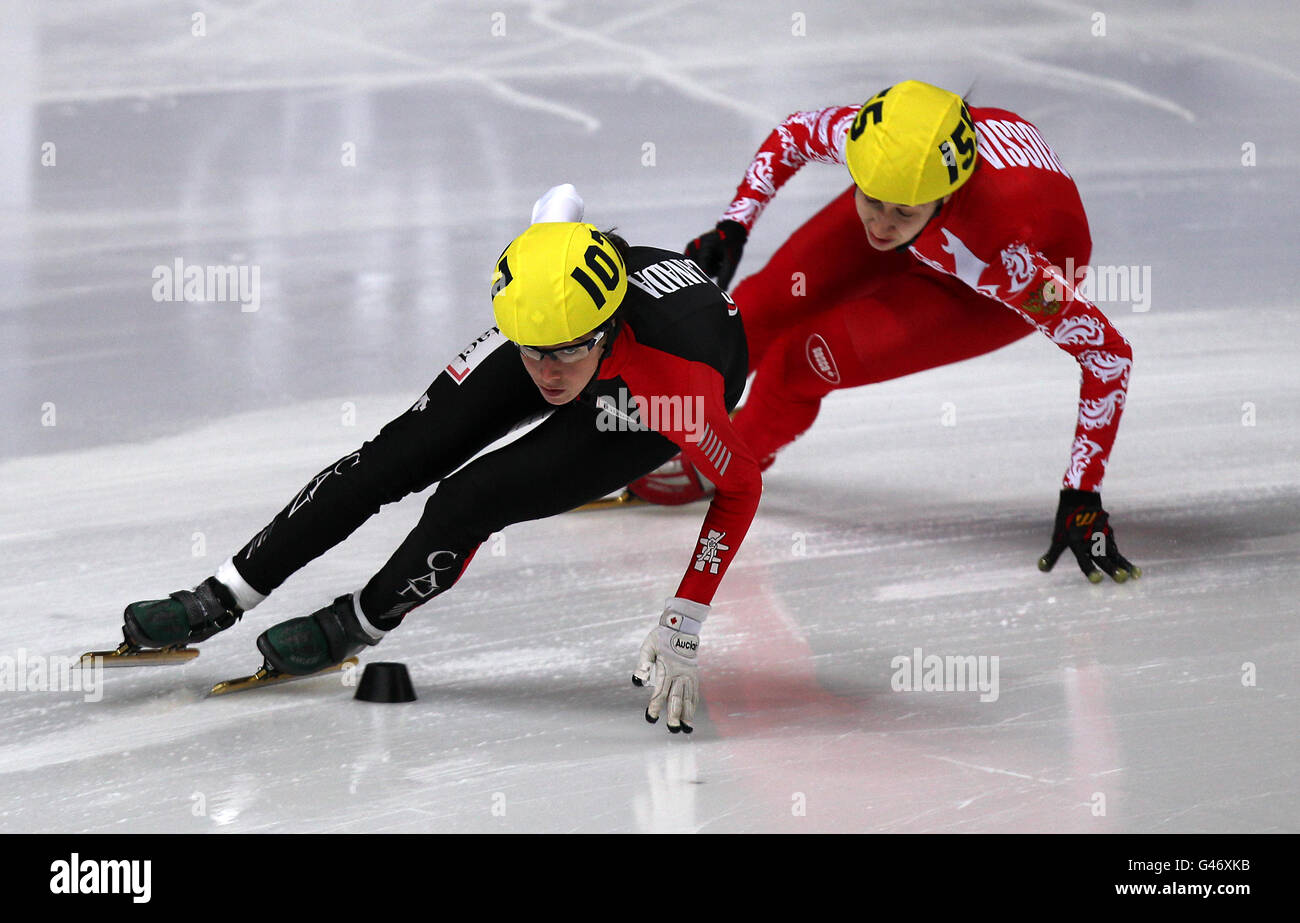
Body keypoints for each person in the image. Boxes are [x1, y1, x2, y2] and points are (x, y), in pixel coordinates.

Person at [115, 187, 761, 732]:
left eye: (563, 355)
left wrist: (686, 616)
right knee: (391, 458)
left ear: (602, 330)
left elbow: (741, 487)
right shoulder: (543, 303)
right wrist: (546, 346)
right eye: (532, 353)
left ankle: (358, 622)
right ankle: (221, 593)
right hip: (575, 319)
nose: (546, 373)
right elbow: (560, 208)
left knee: (472, 498)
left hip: (647, 391)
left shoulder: (679, 392)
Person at [631, 80, 1140, 584]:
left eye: (901, 212)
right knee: (754, 308)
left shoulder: (1009, 262)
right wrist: (734, 227)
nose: (879, 225)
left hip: (981, 288)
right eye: (870, 198)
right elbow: (792, 135)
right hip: (947, 227)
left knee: (800, 363)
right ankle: (677, 411)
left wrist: (1082, 493)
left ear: (943, 198)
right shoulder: (880, 143)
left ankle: (723, 459)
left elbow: (1107, 354)